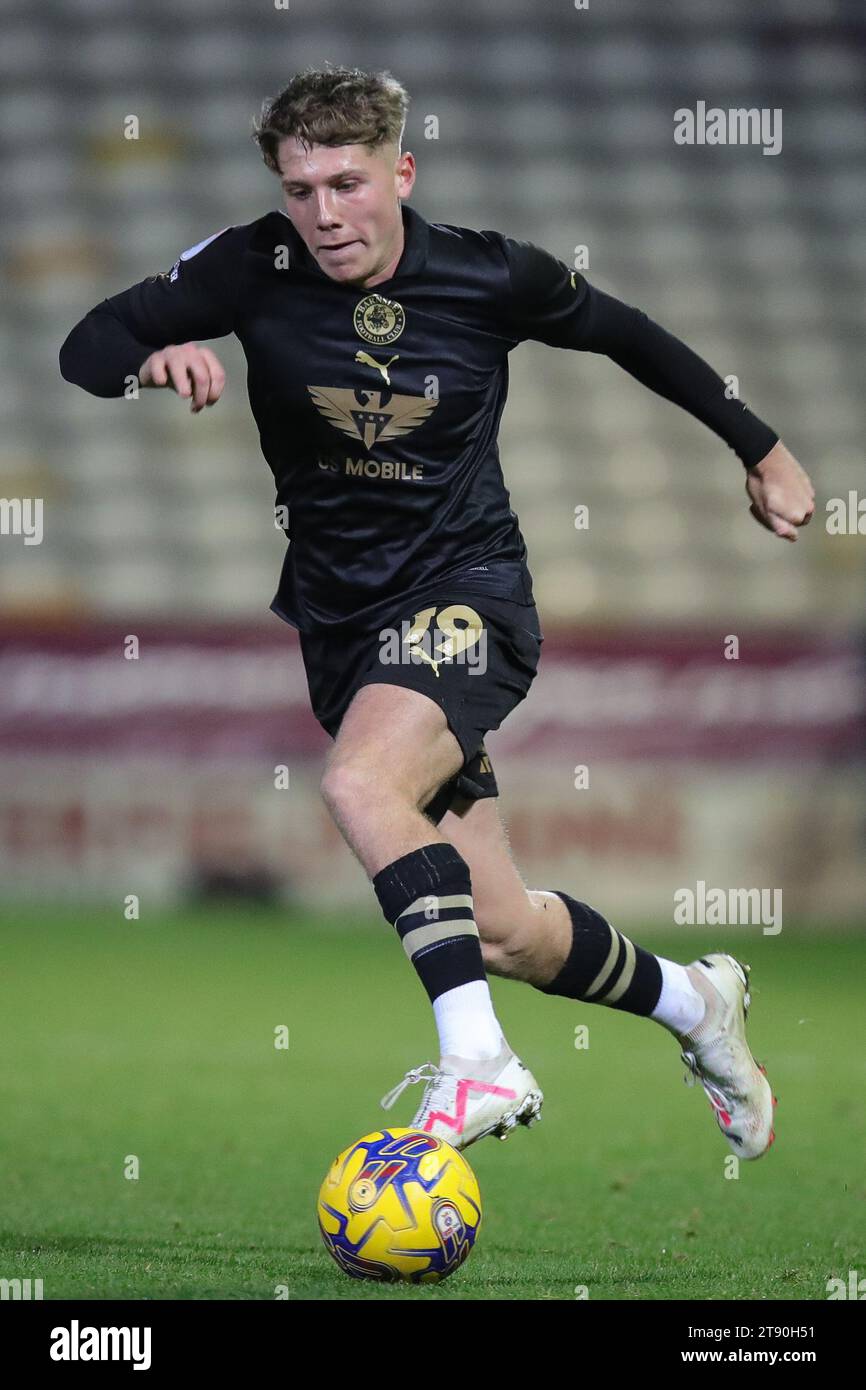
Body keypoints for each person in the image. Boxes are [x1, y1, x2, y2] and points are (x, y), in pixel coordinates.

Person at [60, 64, 814, 1159]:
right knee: (501, 926)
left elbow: (629, 334)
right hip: (341, 624)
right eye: (300, 188)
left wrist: (761, 447)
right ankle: (695, 1004)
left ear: (399, 172)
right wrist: (150, 357)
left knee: (360, 784)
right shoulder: (249, 267)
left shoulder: (485, 273)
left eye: (348, 184)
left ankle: (480, 1065)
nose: (323, 214)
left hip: (467, 594)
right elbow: (86, 345)